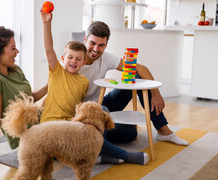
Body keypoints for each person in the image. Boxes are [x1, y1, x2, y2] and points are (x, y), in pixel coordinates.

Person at [40, 10, 148, 165]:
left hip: (72, 123)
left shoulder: (83, 82)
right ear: (63, 59)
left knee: (117, 131)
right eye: (70, 58)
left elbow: (78, 105)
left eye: (78, 59)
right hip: (53, 127)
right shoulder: (57, 73)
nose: (73, 61)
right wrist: (46, 23)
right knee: (68, 144)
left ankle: (95, 154)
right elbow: (48, 48)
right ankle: (125, 156)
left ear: (84, 62)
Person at [79, 21, 189, 146]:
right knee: (129, 132)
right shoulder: (73, 60)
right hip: (82, 113)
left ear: (106, 45)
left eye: (101, 45)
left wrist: (156, 93)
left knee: (138, 77)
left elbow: (141, 69)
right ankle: (93, 133)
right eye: (92, 43)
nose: (95, 49)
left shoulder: (106, 58)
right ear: (85, 40)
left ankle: (163, 130)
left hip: (101, 104)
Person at [0, 26, 48, 169]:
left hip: (38, 121)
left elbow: (31, 98)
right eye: (13, 48)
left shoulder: (16, 71)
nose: (17, 52)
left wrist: (52, 84)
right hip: (26, 136)